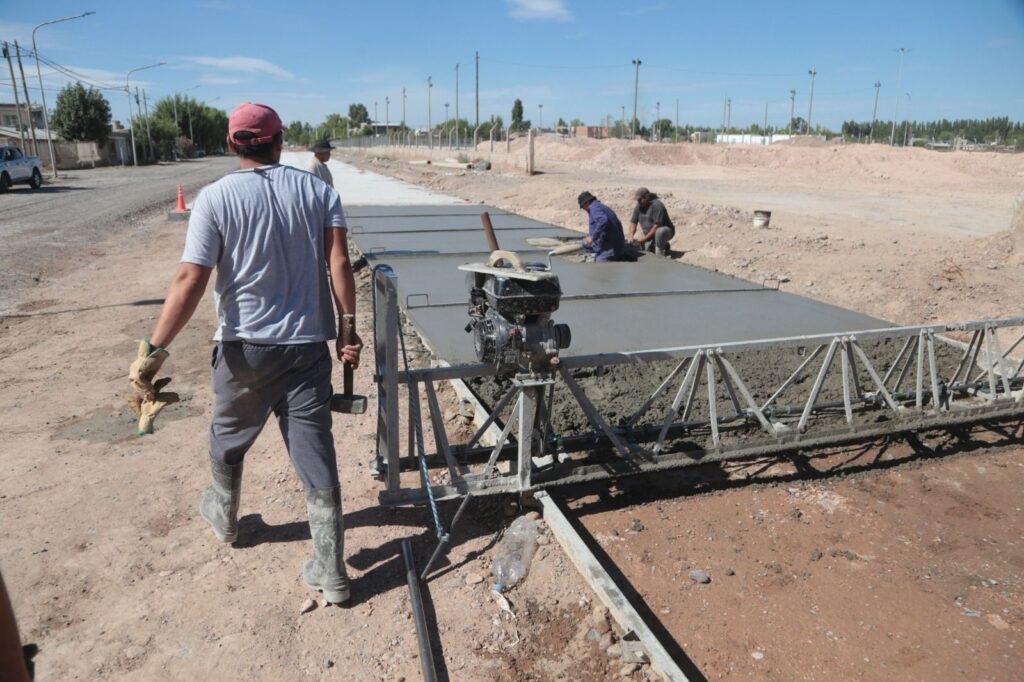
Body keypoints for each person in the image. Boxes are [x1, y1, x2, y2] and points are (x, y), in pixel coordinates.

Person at [127, 102, 362, 605]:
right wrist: (349, 331)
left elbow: (191, 278)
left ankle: (225, 517)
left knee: (228, 437)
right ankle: (332, 569)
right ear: (280, 141)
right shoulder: (319, 191)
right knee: (314, 452)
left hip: (244, 350)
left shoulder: (215, 199)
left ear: (234, 145)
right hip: (306, 349)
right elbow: (340, 263)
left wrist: (155, 349)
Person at [577, 190, 626, 262]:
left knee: (600, 262)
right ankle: (599, 252)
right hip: (608, 241)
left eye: (582, 206)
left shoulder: (594, 208)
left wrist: (593, 237)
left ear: (586, 202)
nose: (583, 209)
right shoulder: (598, 206)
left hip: (612, 245)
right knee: (585, 244)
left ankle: (609, 256)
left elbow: (603, 221)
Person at [627, 187, 675, 256]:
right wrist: (631, 235)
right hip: (650, 234)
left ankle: (660, 254)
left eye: (640, 199)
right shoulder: (639, 206)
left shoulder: (657, 205)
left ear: (646, 197)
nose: (638, 202)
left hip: (666, 231)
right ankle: (664, 245)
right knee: (646, 249)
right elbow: (633, 222)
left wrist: (644, 239)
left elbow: (657, 226)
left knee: (660, 232)